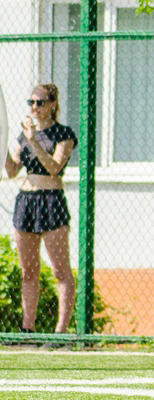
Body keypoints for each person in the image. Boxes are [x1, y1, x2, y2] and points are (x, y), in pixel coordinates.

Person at [5, 83, 77, 334]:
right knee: (29, 271)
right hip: (26, 201)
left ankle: (61, 332)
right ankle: (28, 329)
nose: (35, 107)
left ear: (53, 104)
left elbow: (55, 167)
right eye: (31, 103)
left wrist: (33, 141)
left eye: (40, 102)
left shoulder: (63, 134)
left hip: (51, 201)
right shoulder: (23, 135)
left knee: (60, 270)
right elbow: (12, 170)